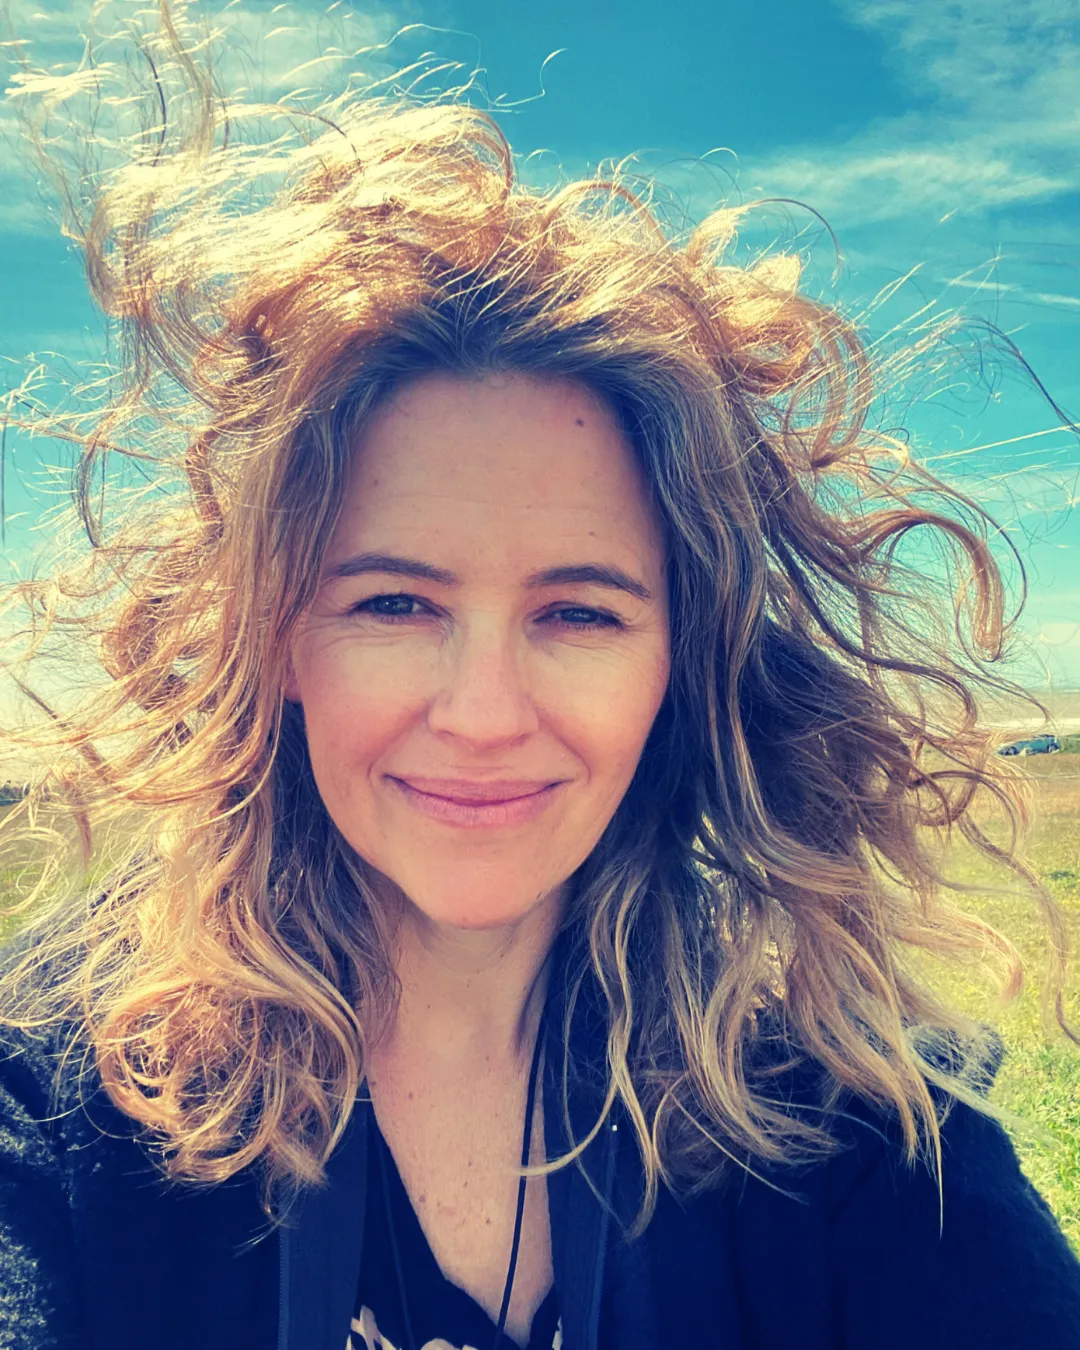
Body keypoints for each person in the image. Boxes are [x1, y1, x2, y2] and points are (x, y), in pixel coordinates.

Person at [1, 8, 1079, 1349]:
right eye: (395, 601)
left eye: (578, 611)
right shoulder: (58, 1093)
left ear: (680, 658)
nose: (484, 712)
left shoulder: (837, 1104)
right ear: (275, 635)